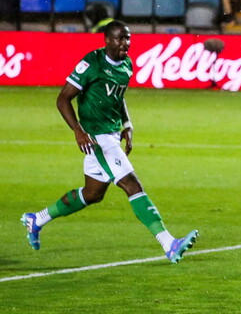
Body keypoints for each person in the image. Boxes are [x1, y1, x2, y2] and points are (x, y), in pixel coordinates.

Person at [20, 21, 198, 263]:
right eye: (120, 39)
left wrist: (127, 125)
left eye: (128, 39)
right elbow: (63, 99)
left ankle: (37, 219)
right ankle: (169, 243)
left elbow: (118, 97)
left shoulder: (127, 65)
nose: (126, 43)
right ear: (107, 41)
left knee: (93, 194)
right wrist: (78, 131)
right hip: (97, 138)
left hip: (112, 133)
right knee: (132, 185)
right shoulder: (91, 63)